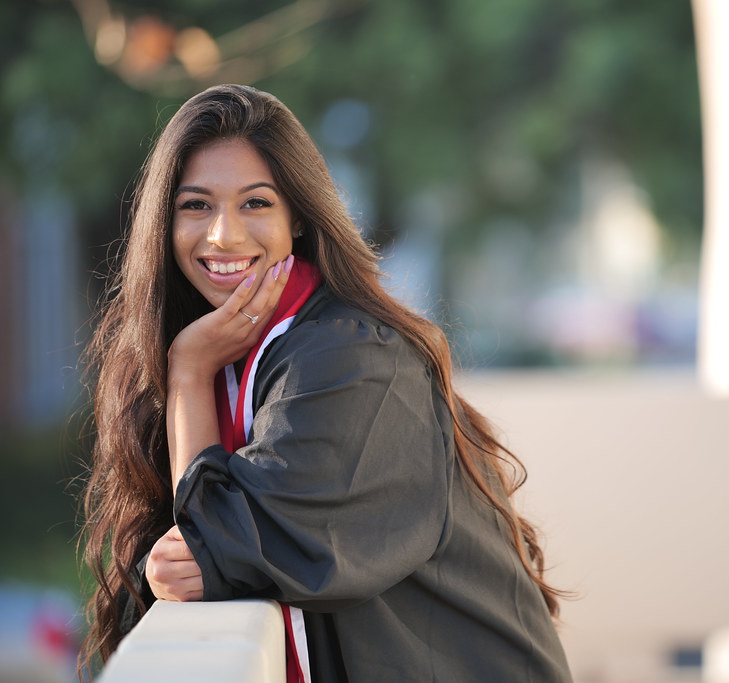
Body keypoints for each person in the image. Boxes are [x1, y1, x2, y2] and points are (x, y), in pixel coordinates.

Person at [79, 83, 573, 682]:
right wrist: (189, 370)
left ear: (299, 220)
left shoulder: (351, 358)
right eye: (196, 205)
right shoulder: (231, 353)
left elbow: (210, 553)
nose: (224, 236)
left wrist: (189, 375)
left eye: (255, 203)